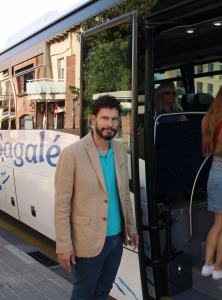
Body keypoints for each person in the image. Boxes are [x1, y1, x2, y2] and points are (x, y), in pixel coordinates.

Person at [54, 95, 139, 300]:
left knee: (103, 291)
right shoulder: (72, 153)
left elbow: (124, 195)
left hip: (116, 240)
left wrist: (132, 228)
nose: (110, 124)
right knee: (84, 293)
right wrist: (64, 246)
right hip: (87, 241)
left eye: (114, 119)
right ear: (93, 119)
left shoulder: (119, 150)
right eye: (104, 118)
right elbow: (61, 205)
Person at [200, 85, 222, 280]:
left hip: (214, 174)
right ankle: (219, 269)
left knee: (217, 224)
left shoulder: (207, 120)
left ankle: (208, 265)